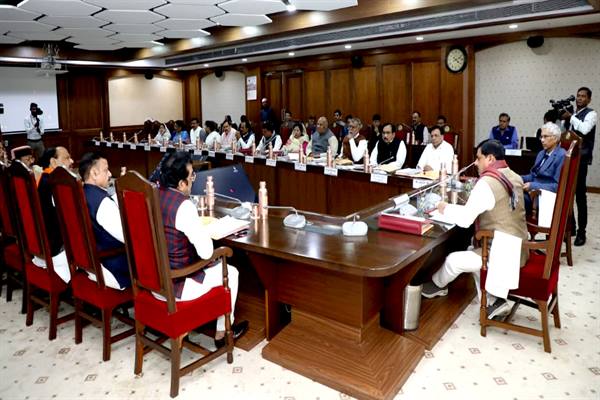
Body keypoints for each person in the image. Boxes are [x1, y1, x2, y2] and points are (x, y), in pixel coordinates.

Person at [421, 139, 529, 318]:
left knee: (453, 260)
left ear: (490, 158)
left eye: (479, 158)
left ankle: (437, 286)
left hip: (501, 254)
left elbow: (465, 219)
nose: (476, 163)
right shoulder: (515, 176)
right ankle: (495, 301)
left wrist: (443, 207)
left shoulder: (487, 182)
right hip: (521, 248)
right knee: (472, 248)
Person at [157, 151, 248, 346]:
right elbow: (206, 253)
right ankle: (223, 333)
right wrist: (204, 231)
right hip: (178, 284)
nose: (193, 180)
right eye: (192, 176)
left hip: (154, 281)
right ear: (181, 184)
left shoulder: (153, 195)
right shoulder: (184, 206)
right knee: (231, 272)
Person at [79, 153, 131, 290]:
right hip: (111, 269)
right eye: (106, 170)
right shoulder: (102, 203)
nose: (110, 174)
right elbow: (128, 238)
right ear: (94, 173)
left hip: (88, 265)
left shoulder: (81, 194)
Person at [562, 87, 597, 246]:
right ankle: (572, 227)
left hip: (581, 160)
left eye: (583, 96)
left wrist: (571, 117)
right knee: (566, 193)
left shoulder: (591, 114)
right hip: (567, 157)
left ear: (589, 99)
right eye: (578, 96)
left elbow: (584, 129)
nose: (579, 98)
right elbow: (565, 133)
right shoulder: (572, 113)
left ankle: (582, 232)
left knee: (580, 196)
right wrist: (564, 119)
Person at [35, 146, 74, 284]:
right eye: (67, 158)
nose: (72, 161)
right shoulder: (55, 184)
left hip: (40, 245)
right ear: (53, 162)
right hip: (56, 248)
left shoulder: (44, 178)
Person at [521, 122, 566, 214]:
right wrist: (518, 178)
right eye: (541, 137)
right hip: (533, 192)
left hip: (544, 197)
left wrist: (532, 186)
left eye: (545, 137)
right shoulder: (541, 153)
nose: (542, 140)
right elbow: (533, 176)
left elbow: (557, 186)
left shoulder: (562, 155)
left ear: (555, 138)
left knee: (516, 199)